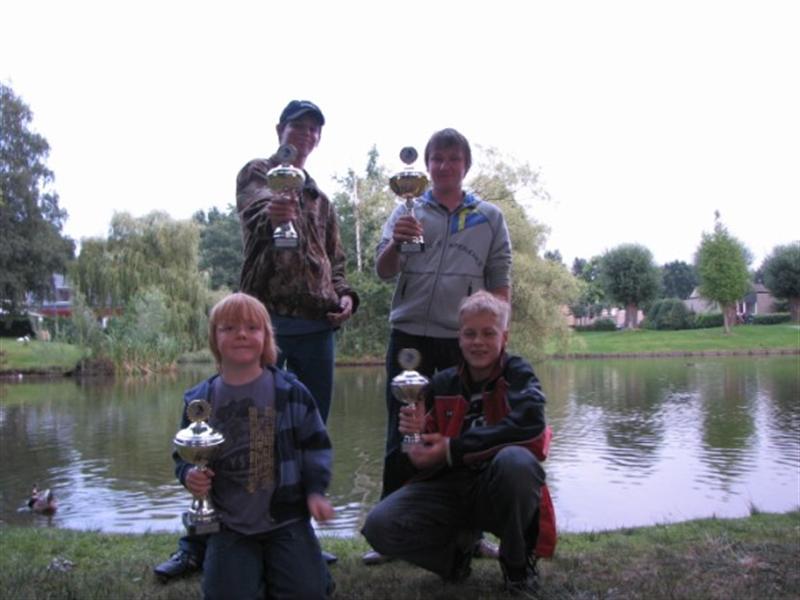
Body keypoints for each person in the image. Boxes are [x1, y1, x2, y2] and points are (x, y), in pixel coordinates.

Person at [154, 100, 353, 581]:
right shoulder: (258, 173)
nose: (306, 135)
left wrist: (347, 296)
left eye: (314, 129)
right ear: (280, 129)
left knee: (305, 433)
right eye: (298, 126)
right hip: (264, 323)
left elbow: (337, 260)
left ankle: (295, 532)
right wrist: (275, 210)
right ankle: (197, 540)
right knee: (230, 429)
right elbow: (257, 212)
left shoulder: (321, 199)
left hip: (316, 325)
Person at [365, 128, 512, 564]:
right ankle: (390, 537)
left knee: (463, 435)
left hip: (462, 340)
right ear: (427, 166)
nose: (445, 166)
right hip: (409, 336)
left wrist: (497, 337)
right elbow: (382, 270)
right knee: (402, 431)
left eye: (453, 158)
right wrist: (397, 242)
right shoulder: (405, 209)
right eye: (437, 159)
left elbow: (500, 281)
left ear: (466, 165)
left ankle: (471, 534)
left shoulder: (489, 217)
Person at [361, 291, 556, 595]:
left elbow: (531, 426)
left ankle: (516, 564)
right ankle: (454, 560)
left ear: (504, 337)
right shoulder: (440, 384)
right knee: (379, 525)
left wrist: (453, 448)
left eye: (488, 333)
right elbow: (420, 458)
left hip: (497, 487)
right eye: (470, 334)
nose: (478, 342)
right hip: (450, 489)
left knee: (517, 463)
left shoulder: (518, 373)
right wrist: (413, 442)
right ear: (459, 338)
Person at [173, 292, 335, 599]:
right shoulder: (199, 400)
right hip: (229, 524)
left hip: (286, 520)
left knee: (308, 592)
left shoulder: (292, 391)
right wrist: (188, 475)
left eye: (252, 327)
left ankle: (309, 567)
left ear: (266, 337)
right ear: (214, 338)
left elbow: (316, 447)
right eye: (229, 328)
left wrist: (315, 491)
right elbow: (183, 456)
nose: (242, 334)